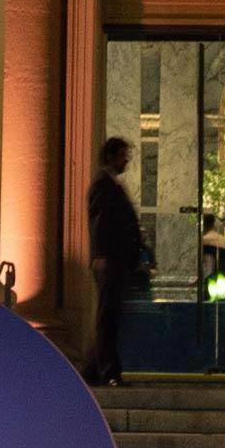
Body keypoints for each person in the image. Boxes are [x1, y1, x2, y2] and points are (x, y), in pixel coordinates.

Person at [84, 136, 145, 388]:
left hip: (115, 262)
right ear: (110, 156)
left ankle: (95, 368)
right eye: (122, 155)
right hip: (109, 261)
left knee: (110, 317)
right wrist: (102, 256)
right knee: (107, 317)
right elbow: (100, 224)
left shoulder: (111, 185)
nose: (126, 160)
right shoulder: (103, 185)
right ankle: (107, 371)